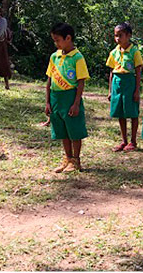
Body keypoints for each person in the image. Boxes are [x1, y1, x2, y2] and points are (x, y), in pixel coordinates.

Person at [46, 23, 90, 173]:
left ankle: (76, 160)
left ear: (68, 38)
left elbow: (81, 81)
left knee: (74, 130)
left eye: (57, 40)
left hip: (70, 97)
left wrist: (76, 103)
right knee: (62, 130)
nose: (56, 43)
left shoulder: (77, 57)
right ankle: (67, 158)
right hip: (56, 98)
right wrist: (47, 101)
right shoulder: (54, 56)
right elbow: (49, 79)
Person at [106, 23, 143, 152]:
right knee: (120, 113)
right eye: (116, 35)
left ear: (128, 36)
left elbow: (138, 72)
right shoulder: (114, 52)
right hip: (117, 83)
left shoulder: (135, 52)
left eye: (120, 35)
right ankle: (124, 141)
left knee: (132, 113)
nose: (117, 38)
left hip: (130, 83)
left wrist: (136, 91)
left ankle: (133, 141)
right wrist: (110, 90)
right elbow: (111, 72)